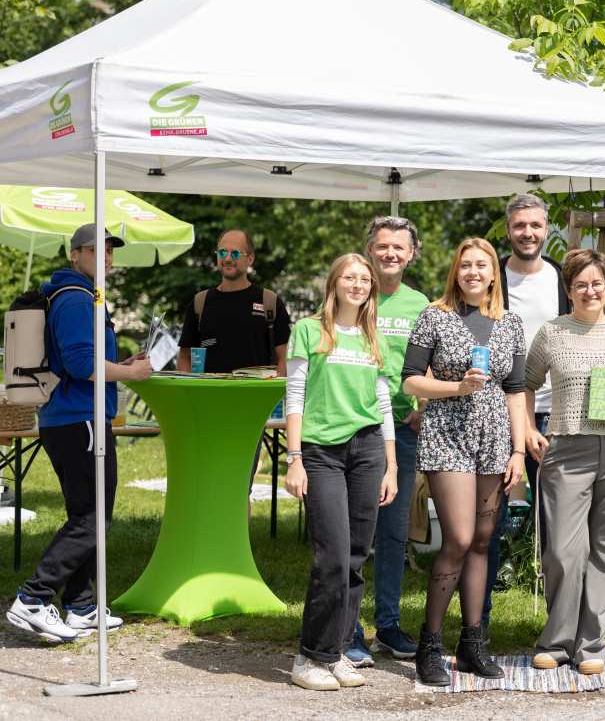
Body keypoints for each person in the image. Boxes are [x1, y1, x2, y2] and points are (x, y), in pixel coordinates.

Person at [6, 224, 151, 643]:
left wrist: (120, 361)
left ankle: (82, 606)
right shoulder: (74, 299)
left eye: (110, 251)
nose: (106, 257)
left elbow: (85, 358)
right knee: (92, 519)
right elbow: (79, 365)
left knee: (87, 514)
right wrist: (131, 372)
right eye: (96, 250)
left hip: (71, 419)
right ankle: (32, 599)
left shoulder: (78, 296)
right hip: (80, 419)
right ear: (75, 254)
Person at [402, 237, 528, 685]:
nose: (473, 272)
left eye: (482, 265)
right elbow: (410, 383)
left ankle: (473, 642)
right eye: (465, 265)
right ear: (456, 272)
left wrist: (518, 450)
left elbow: (515, 390)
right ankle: (429, 643)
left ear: (495, 273)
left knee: (482, 539)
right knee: (455, 538)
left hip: (494, 438)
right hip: (448, 434)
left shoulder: (510, 323)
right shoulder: (434, 317)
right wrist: (457, 388)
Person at [523, 249, 605, 675]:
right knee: (563, 549)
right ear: (569, 290)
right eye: (581, 285)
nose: (590, 291)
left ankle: (591, 643)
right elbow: (526, 383)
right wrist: (526, 429)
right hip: (567, 448)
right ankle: (557, 640)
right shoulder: (552, 333)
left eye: (597, 284)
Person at [283, 253, 399, 691]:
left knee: (355, 557)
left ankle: (335, 653)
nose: (359, 284)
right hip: (321, 452)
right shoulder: (310, 330)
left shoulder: (374, 338)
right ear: (334, 283)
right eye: (350, 277)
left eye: (365, 278)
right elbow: (294, 398)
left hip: (368, 450)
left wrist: (390, 465)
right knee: (331, 556)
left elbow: (384, 404)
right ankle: (309, 657)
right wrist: (294, 458)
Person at [483, 193, 570, 634]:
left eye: (535, 225)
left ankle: (561, 622)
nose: (528, 233)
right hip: (498, 413)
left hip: (555, 414)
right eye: (520, 226)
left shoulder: (560, 277)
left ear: (546, 227)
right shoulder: (492, 276)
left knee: (558, 522)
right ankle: (479, 623)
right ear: (508, 229)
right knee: (489, 519)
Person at [348, 217, 430, 665]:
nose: (390, 254)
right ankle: (349, 629)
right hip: (352, 428)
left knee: (395, 533)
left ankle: (389, 626)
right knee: (355, 531)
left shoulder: (422, 304)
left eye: (399, 247)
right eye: (382, 246)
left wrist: (424, 408)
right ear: (369, 249)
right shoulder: (353, 290)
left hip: (401, 428)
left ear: (412, 253)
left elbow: (438, 364)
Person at [178, 229, 291, 375]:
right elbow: (185, 357)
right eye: (222, 252)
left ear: (250, 259)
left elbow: (285, 357)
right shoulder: (200, 303)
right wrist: (189, 394)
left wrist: (275, 394)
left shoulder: (269, 302)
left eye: (235, 253)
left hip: (256, 396)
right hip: (209, 396)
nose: (227, 259)